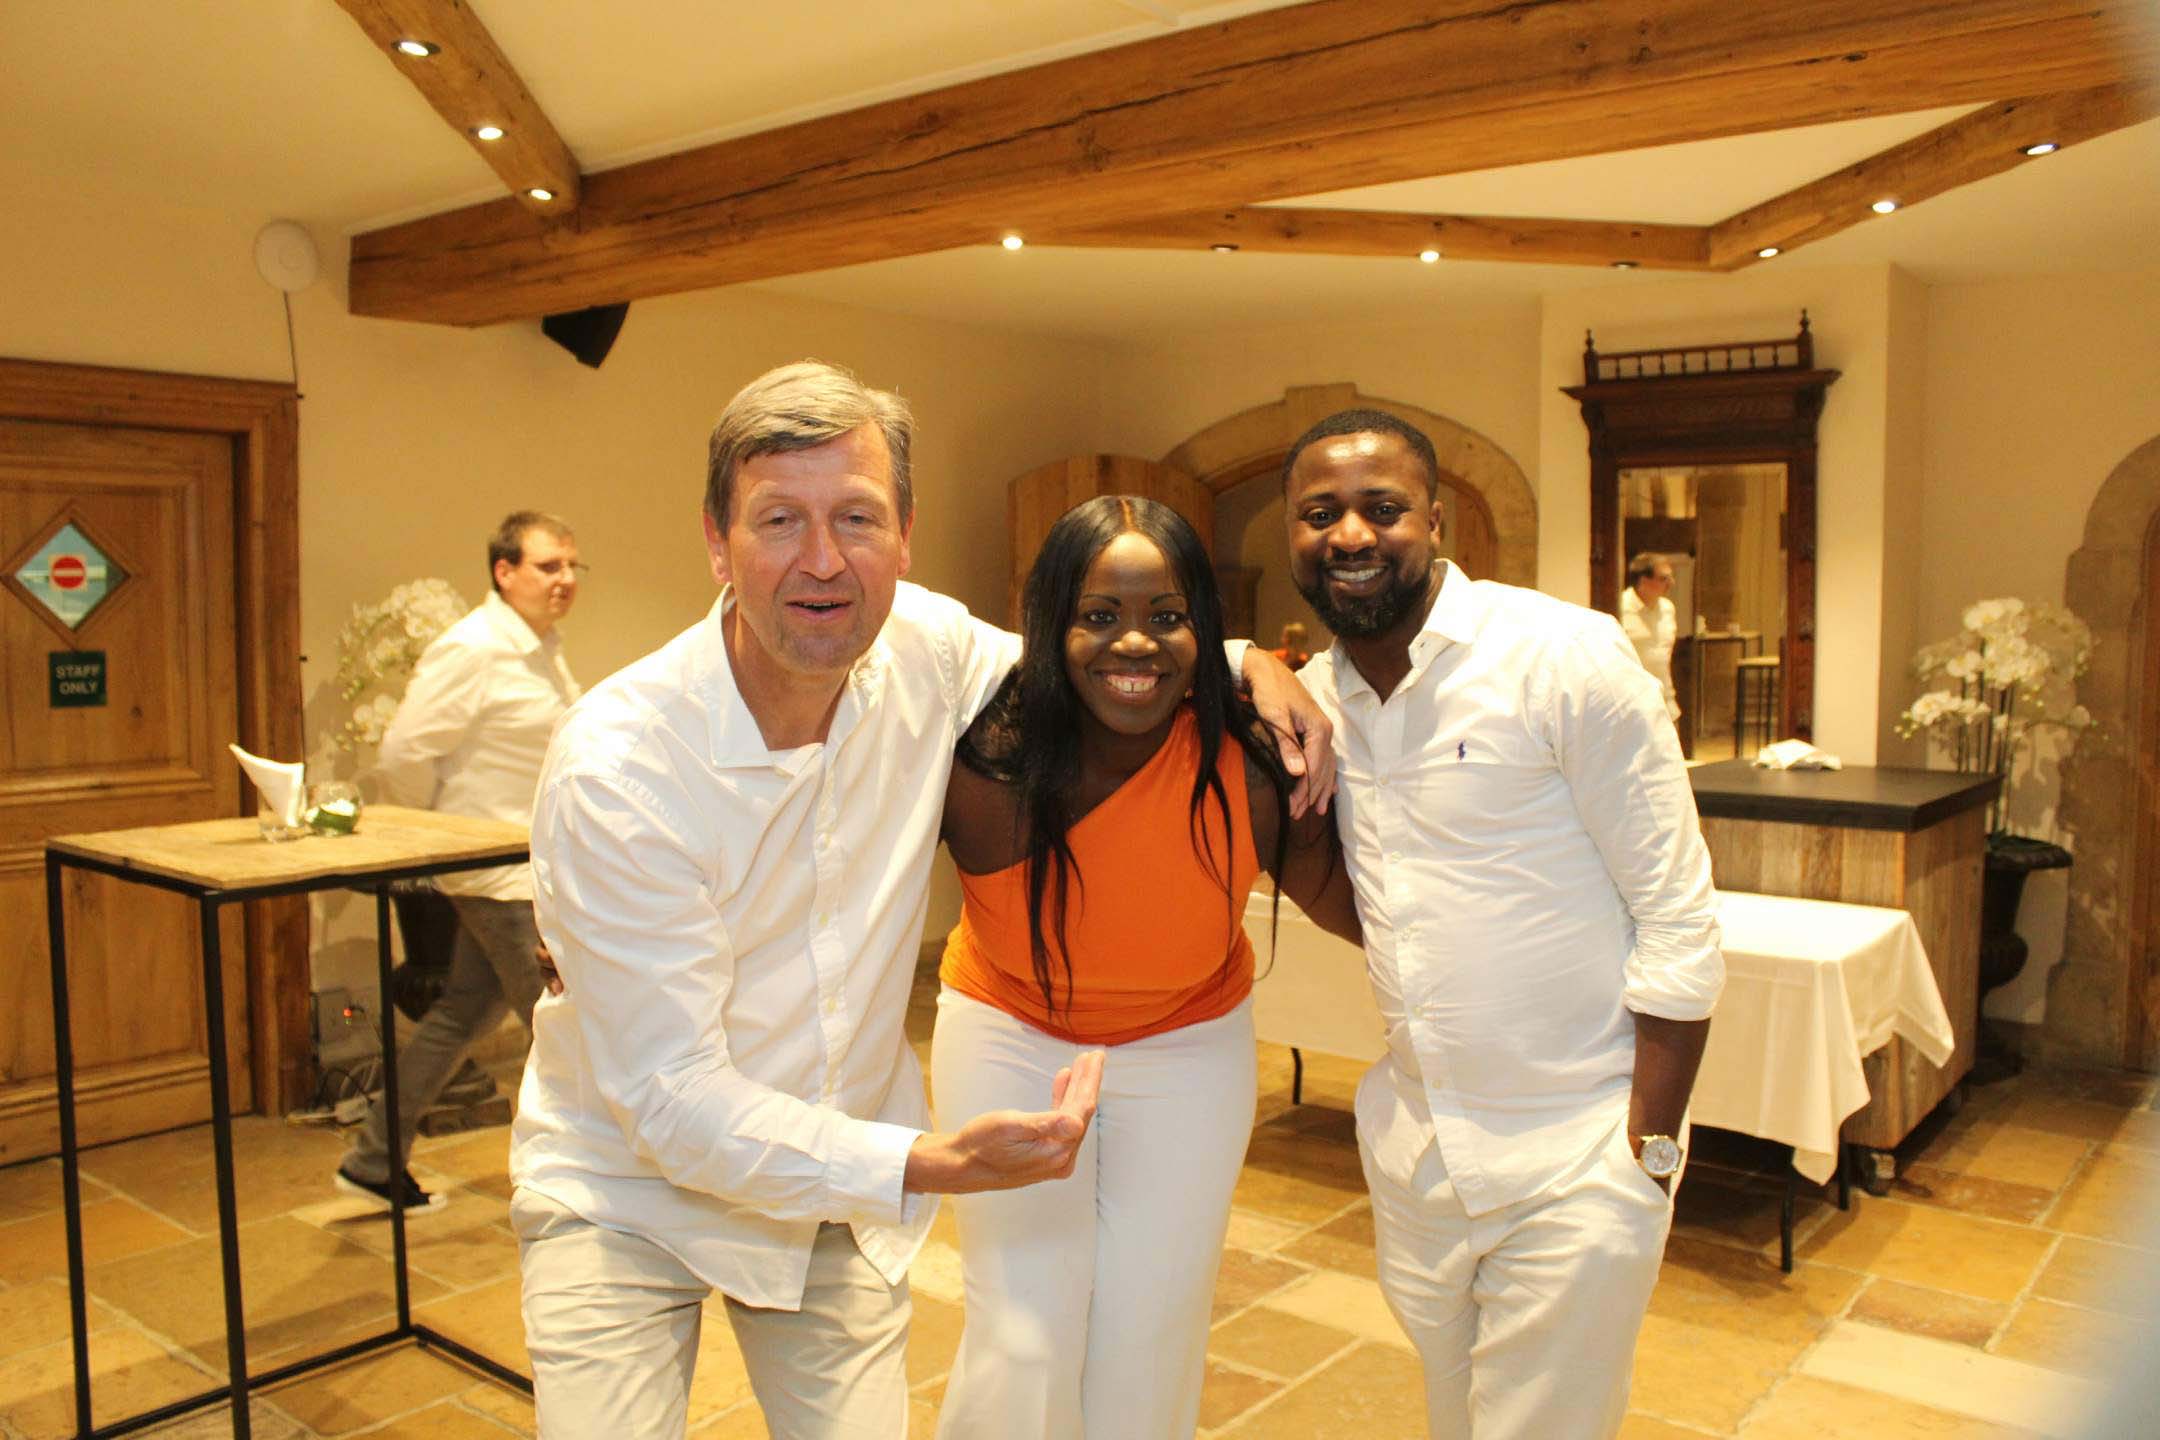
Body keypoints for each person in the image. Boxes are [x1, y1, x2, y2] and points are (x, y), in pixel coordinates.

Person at [508, 360, 1334, 1440]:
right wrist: (924, 1162)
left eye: (856, 517)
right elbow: (668, 1102)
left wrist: (1243, 658)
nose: (822, 559)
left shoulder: (927, 651)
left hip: (830, 1204)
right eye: (779, 520)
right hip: (626, 1194)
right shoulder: (620, 768)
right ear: (717, 541)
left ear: (905, 536)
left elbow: (1096, 654)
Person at [1280, 410, 1723, 1440]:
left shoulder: (1562, 656)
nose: (1352, 534)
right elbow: (1385, 905)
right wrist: (1246, 662)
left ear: (1436, 520)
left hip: (1580, 1148)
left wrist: (1648, 1152)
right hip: (1417, 1148)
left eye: (1382, 507)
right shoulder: (1313, 701)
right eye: (1320, 514)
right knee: (1457, 1417)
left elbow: (1678, 913)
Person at [932, 497, 1356, 1438]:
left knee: (1150, 1332)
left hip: (1188, 1048)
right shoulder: (983, 758)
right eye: (1098, 615)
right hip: (1008, 1034)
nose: (1134, 643)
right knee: (1023, 1334)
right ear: (1051, 625)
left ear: (1203, 628)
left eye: (1167, 616)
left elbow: (1355, 907)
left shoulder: (1252, 763)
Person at [335, 511, 583, 1212]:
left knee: (462, 1016)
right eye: (549, 565)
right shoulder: (473, 648)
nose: (565, 579)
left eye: (572, 566)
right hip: (496, 875)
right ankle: (587, 1190)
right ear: (505, 572)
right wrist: (437, 836)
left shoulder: (538, 646)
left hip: (523, 867)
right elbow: (403, 753)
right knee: (567, 1034)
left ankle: (373, 1159)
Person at [1619, 552, 1681, 723]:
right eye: (1664, 578)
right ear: (1643, 580)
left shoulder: (1668, 609)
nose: (1671, 583)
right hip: (1631, 703)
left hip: (1665, 700)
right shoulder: (1620, 608)